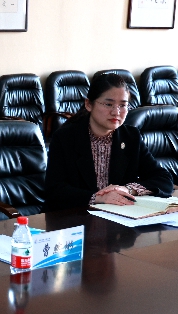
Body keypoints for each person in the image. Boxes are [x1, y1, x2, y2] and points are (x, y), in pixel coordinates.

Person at [44, 72, 173, 212]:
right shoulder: (65, 137)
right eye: (108, 104)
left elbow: (163, 179)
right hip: (75, 217)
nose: (116, 112)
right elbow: (54, 190)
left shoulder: (130, 137)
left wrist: (128, 189)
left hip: (120, 217)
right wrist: (97, 198)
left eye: (123, 105)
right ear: (88, 104)